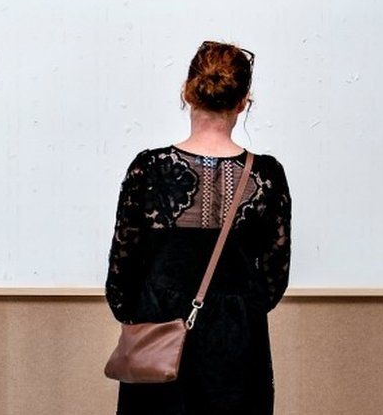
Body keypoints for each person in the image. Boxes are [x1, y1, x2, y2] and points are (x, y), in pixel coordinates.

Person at [105, 40, 292, 414]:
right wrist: (237, 308)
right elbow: (274, 278)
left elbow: (121, 275)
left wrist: (147, 311)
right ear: (243, 103)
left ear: (187, 93)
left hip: (158, 339)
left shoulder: (148, 168)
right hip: (238, 344)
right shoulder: (266, 175)